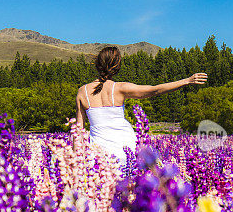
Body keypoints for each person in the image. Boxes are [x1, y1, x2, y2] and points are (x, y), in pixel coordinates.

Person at [75, 46, 207, 171]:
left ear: (98, 64)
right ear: (116, 66)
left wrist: (75, 162)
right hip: (126, 151)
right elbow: (154, 90)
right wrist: (187, 81)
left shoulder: (82, 92)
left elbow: (78, 132)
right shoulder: (120, 88)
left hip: (98, 155)